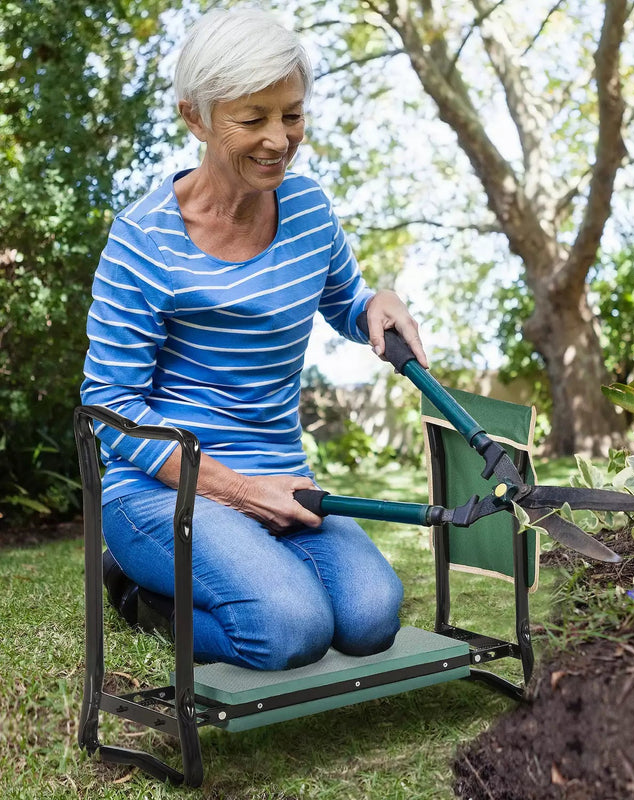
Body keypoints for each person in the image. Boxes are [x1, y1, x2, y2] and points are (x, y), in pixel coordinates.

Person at [80, 4, 428, 671]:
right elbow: (110, 410)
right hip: (162, 490)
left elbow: (346, 303)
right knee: (289, 629)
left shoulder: (308, 210)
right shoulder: (144, 240)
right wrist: (237, 491)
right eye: (253, 119)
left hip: (280, 478)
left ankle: (243, 579)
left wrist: (377, 302)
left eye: (291, 114)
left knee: (370, 618)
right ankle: (135, 593)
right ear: (196, 117)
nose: (279, 139)